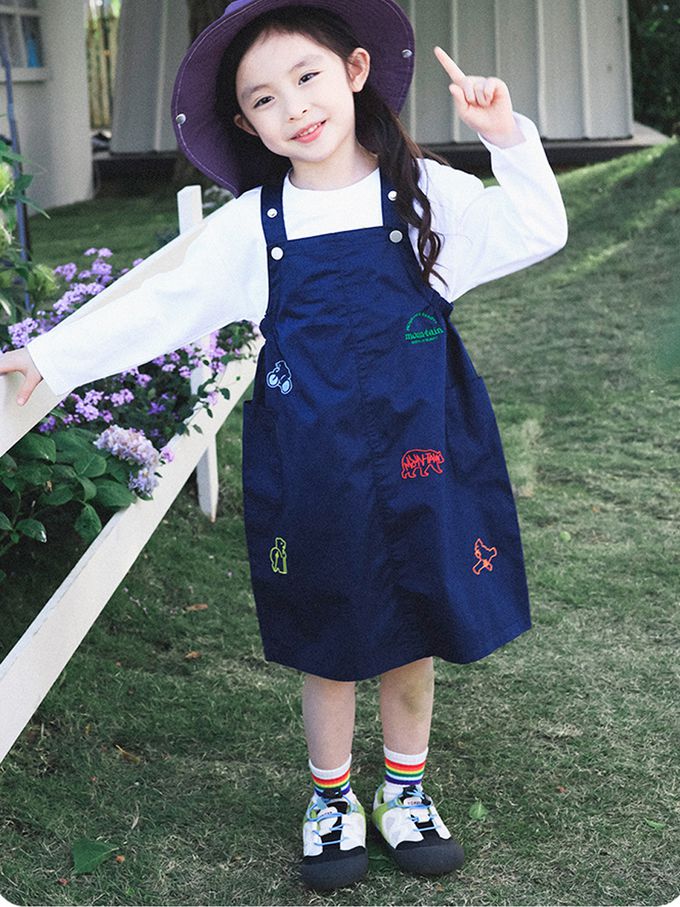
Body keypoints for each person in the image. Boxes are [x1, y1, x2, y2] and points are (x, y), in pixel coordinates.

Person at [0, 0, 568, 892]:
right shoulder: (251, 227)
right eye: (264, 98)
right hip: (315, 467)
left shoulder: (424, 193)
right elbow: (159, 307)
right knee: (330, 636)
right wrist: (52, 358)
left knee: (415, 626)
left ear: (354, 72)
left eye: (307, 77)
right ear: (246, 124)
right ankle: (331, 798)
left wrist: (506, 138)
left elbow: (539, 228)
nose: (294, 106)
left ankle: (406, 790)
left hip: (426, 453)